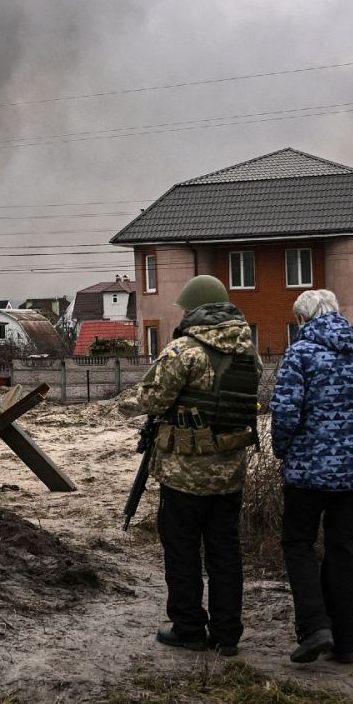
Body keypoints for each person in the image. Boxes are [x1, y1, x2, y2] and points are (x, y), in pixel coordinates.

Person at [137, 274, 263, 657]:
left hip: (184, 472)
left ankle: (189, 626)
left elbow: (151, 401)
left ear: (193, 310)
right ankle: (227, 633)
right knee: (226, 550)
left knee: (182, 550)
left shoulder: (182, 351)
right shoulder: (248, 352)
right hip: (230, 470)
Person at [270, 289, 353, 664]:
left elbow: (286, 413)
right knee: (342, 548)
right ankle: (346, 639)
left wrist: (284, 450)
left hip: (306, 472)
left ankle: (315, 626)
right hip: (352, 473)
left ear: (302, 319)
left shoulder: (299, 354)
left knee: (299, 543)